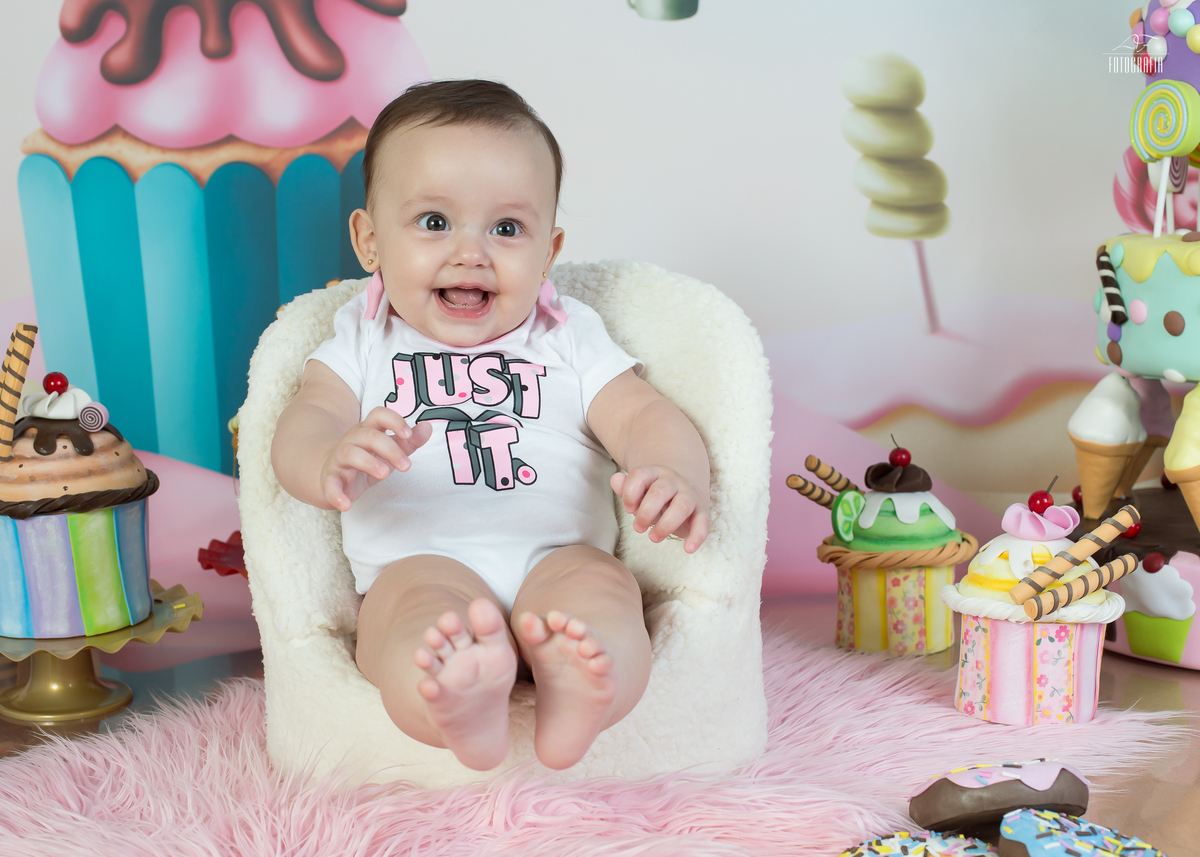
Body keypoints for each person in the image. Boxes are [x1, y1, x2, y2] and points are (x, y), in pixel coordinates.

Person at [272, 80, 710, 772]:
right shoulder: (361, 336)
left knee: (603, 596)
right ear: (370, 241)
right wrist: (326, 459)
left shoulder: (567, 334)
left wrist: (674, 473)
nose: (471, 252)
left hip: (559, 555)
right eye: (434, 222)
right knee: (408, 626)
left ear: (548, 252)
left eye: (506, 229)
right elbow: (305, 421)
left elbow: (642, 413)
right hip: (418, 562)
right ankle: (455, 700)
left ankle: (584, 683)